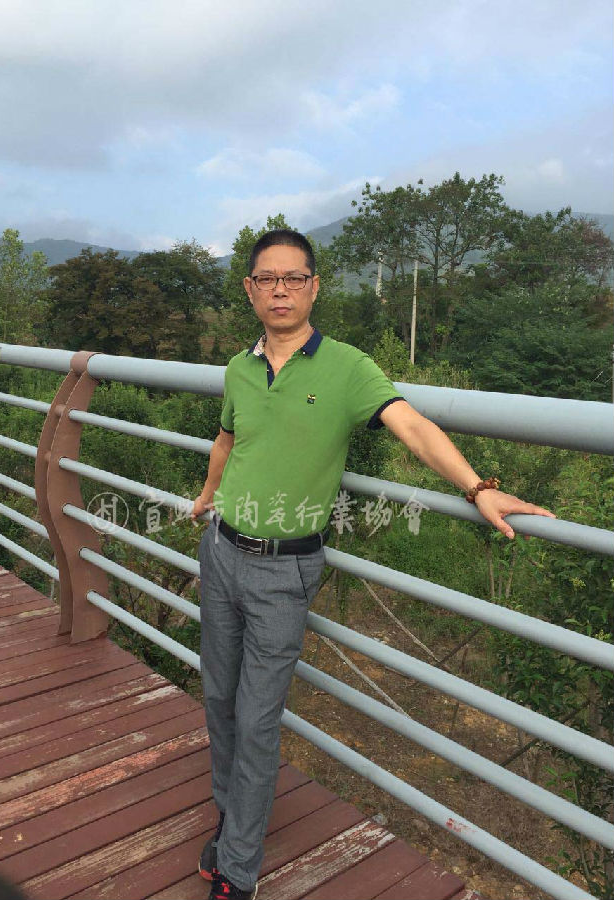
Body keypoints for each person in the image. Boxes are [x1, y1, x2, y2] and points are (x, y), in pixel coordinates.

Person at [191, 229, 554, 900]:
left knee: (258, 718)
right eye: (266, 278)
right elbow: (227, 438)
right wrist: (207, 497)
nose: (279, 290)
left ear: (314, 287)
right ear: (249, 289)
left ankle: (237, 869)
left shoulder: (349, 368)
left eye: (293, 278)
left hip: (283, 571)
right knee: (219, 702)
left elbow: (411, 426)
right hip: (220, 552)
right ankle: (230, 818)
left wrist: (476, 487)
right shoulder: (240, 366)